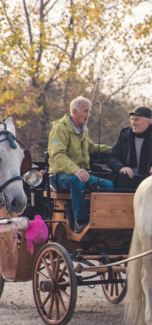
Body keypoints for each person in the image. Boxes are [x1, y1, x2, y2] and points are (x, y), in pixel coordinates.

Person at [48, 96, 114, 233]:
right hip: (59, 176)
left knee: (108, 185)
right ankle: (80, 222)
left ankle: (99, 219)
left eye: (90, 112)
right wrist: (76, 170)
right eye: (86, 111)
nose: (89, 115)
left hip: (81, 174)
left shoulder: (84, 130)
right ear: (74, 111)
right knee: (77, 180)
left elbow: (91, 148)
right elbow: (57, 155)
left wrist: (115, 149)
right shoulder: (61, 128)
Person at [107, 107, 152, 191]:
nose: (133, 123)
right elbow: (112, 158)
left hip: (147, 179)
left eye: (136, 120)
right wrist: (122, 168)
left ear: (148, 122)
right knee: (124, 176)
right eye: (132, 119)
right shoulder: (124, 135)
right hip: (126, 178)